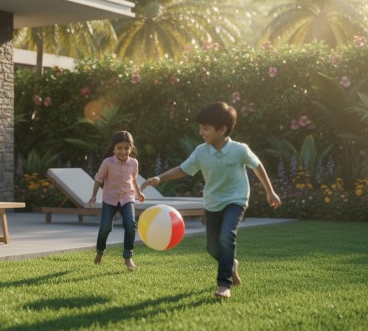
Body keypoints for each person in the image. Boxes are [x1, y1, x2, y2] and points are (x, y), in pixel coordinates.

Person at [140, 102, 281, 299]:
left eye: (205, 128)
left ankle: (224, 284)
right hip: (213, 203)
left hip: (236, 200)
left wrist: (270, 192)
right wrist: (159, 178)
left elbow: (257, 166)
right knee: (212, 247)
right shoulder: (201, 151)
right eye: (200, 127)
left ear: (222, 129)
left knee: (226, 237)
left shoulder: (239, 150)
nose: (201, 132)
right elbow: (183, 169)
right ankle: (231, 264)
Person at [88, 131, 144, 271]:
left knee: (130, 224)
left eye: (126, 148)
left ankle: (127, 257)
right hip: (110, 198)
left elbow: (134, 180)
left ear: (131, 148)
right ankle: (100, 252)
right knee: (105, 227)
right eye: (119, 148)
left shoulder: (134, 163)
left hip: (127, 197)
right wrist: (94, 196)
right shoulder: (107, 162)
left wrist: (139, 193)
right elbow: (98, 179)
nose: (123, 151)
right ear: (113, 148)